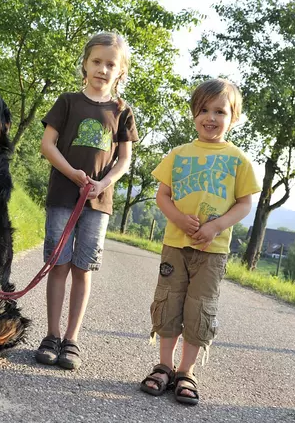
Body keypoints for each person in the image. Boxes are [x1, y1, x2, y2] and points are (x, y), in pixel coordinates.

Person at [140, 78, 261, 404]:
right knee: (169, 302)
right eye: (203, 110)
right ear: (194, 114)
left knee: (199, 309)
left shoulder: (238, 160)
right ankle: (164, 366)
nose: (210, 117)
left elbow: (244, 203)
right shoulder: (178, 154)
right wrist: (178, 218)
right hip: (175, 245)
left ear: (233, 117)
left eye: (220, 111)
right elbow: (162, 195)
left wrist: (217, 226)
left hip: (212, 251)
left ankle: (186, 371)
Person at [35, 32, 139, 370]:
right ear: (85, 64)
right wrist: (73, 174)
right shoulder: (66, 102)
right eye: (97, 62)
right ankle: (51, 335)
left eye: (111, 65)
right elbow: (47, 145)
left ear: (120, 72)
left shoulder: (123, 112)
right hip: (64, 196)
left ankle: (71, 339)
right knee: (58, 264)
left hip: (98, 202)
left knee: (83, 268)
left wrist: (103, 182)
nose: (103, 69)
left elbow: (124, 158)